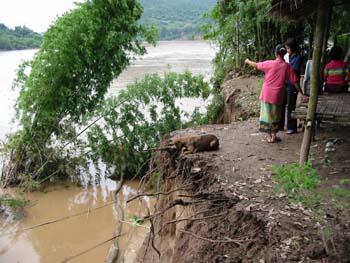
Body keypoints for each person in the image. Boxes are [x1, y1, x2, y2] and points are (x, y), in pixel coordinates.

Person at [245, 44, 303, 143]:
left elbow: (256, 65)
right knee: (276, 115)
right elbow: (295, 81)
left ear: (276, 53)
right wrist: (301, 92)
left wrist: (247, 61)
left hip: (266, 94)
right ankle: (274, 136)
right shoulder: (287, 66)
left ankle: (270, 136)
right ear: (284, 54)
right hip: (278, 96)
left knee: (267, 115)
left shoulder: (269, 63)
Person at [280, 38, 303, 134]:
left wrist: (284, 66)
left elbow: (293, 70)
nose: (287, 50)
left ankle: (292, 127)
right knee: (281, 104)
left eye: (288, 48)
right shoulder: (286, 56)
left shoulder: (298, 58)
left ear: (292, 48)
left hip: (292, 85)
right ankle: (280, 125)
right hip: (284, 83)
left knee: (291, 106)